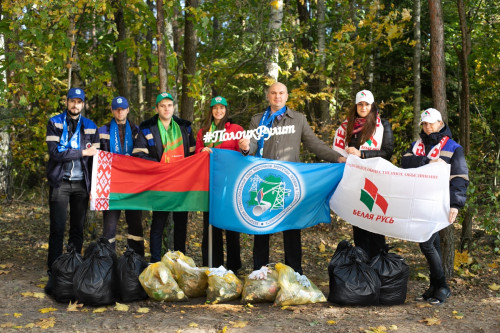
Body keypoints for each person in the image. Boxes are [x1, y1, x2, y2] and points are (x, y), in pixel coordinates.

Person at [239, 82, 342, 274]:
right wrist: (245, 147)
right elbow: (252, 145)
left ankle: (294, 274)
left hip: (289, 182)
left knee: (292, 230)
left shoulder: (299, 119)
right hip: (265, 182)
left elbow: (314, 144)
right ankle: (259, 274)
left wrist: (338, 158)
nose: (277, 96)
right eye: (273, 93)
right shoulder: (257, 120)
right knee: (261, 228)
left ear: (287, 96)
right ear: (268, 96)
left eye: (281, 93)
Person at [402, 108, 469, 305]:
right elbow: (404, 162)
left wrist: (455, 204)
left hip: (439, 203)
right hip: (417, 201)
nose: (428, 127)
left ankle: (442, 286)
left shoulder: (453, 147)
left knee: (426, 243)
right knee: (433, 244)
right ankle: (434, 287)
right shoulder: (416, 146)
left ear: (440, 123)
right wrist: (427, 161)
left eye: (431, 123)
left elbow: (460, 176)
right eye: (424, 123)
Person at [44, 87, 99, 292]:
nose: (75, 105)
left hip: (81, 184)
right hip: (61, 182)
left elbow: (96, 161)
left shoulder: (91, 127)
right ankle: (54, 268)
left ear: (83, 104)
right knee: (57, 228)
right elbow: (55, 154)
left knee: (77, 228)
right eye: (72, 101)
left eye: (79, 102)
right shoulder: (55, 122)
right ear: (66, 102)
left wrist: (94, 185)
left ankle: (74, 265)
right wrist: (83, 151)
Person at [132, 92, 196, 262]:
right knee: (158, 224)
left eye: (169, 105)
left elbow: (193, 155)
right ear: (156, 108)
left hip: (182, 183)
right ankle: (155, 261)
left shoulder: (185, 127)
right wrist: (160, 166)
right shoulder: (147, 128)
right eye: (162, 105)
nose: (166, 109)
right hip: (160, 182)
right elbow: (138, 154)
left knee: (181, 224)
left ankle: (180, 262)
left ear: (173, 107)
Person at [332, 89, 394, 258]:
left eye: (367, 104)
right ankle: (363, 265)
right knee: (358, 222)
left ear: (372, 106)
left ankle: (379, 262)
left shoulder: (382, 125)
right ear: (356, 106)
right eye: (360, 104)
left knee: (374, 221)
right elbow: (339, 151)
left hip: (375, 180)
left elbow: (388, 152)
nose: (363, 107)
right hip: (355, 181)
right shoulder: (347, 126)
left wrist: (362, 154)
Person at [195, 96, 242, 272]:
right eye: (215, 108)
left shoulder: (236, 129)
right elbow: (196, 154)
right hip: (210, 184)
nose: (218, 111)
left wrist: (245, 148)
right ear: (211, 110)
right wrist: (201, 151)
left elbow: (243, 153)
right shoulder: (204, 131)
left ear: (226, 110)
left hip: (230, 184)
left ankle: (233, 267)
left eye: (222, 108)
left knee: (231, 225)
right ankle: (213, 265)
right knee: (211, 224)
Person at [98, 96, 144, 255]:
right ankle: (108, 262)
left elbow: (142, 158)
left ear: (128, 110)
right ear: (112, 110)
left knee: (136, 225)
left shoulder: (137, 130)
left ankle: (135, 260)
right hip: (111, 184)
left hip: (133, 185)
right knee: (109, 227)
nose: (120, 111)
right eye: (116, 109)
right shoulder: (102, 131)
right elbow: (96, 160)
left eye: (123, 108)